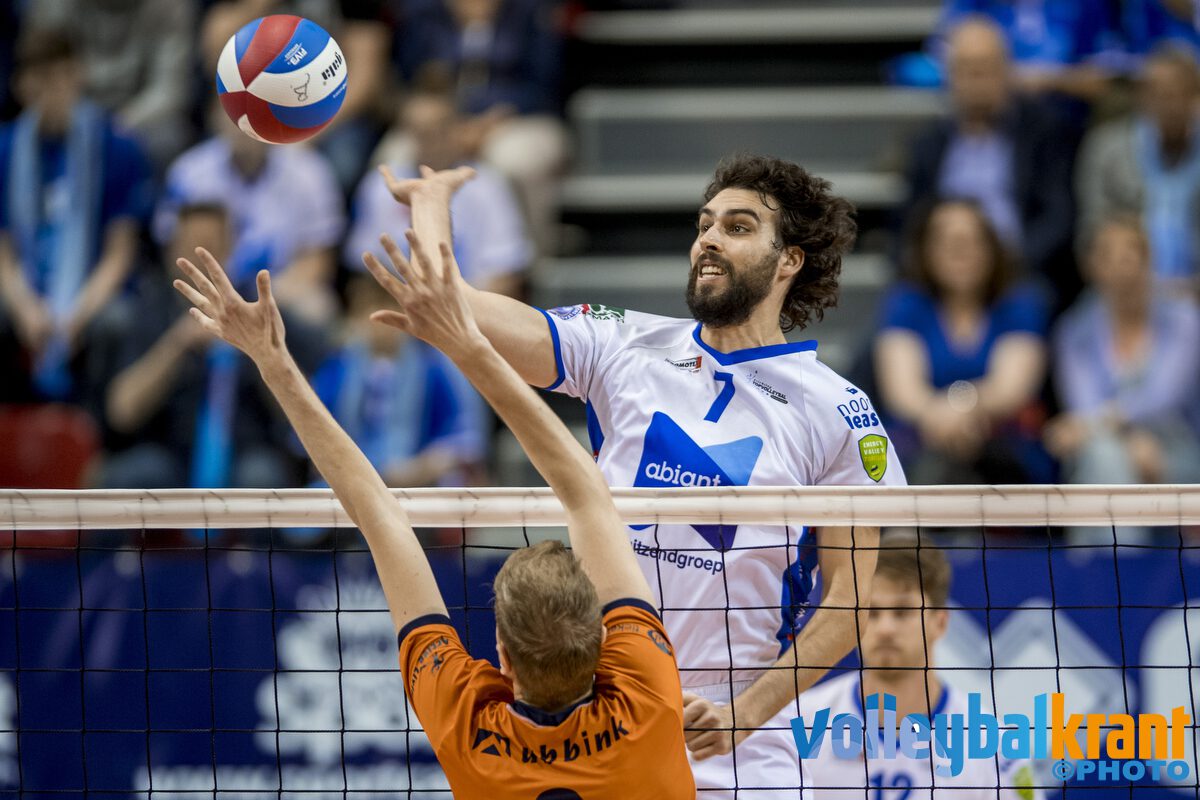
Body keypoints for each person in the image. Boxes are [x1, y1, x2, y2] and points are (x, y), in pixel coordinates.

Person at [372, 156, 907, 797]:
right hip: (608, 720)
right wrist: (431, 202)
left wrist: (746, 713)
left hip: (742, 739)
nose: (709, 239)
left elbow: (849, 602)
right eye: (704, 225)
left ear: (789, 259)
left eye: (738, 227)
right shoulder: (622, 344)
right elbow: (454, 310)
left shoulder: (837, 409)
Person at [171, 227, 695, 797]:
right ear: (604, 641)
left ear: (502, 656)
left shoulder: (468, 726)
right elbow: (585, 493)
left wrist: (272, 361)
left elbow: (377, 512)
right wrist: (469, 345)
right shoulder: (649, 699)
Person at [796, 533, 1041, 799]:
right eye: (871, 612)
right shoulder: (801, 725)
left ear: (941, 622)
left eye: (902, 612)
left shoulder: (994, 747)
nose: (885, 628)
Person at [101, 203, 316, 490]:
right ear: (171, 251)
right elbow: (122, 411)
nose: (200, 264)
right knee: (130, 475)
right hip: (171, 452)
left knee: (260, 476)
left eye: (212, 249)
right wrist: (177, 344)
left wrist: (259, 350)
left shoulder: (259, 309)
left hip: (246, 451)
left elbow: (303, 411)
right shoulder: (149, 309)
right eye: (191, 249)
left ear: (231, 249)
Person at [0, 27, 153, 408]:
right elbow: (3, 250)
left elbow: (119, 253)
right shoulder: (6, 149)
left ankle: (99, 429)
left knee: (114, 322)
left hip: (91, 291)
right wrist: (25, 307)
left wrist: (76, 314)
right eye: (40, 80)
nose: (52, 92)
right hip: (27, 288)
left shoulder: (115, 146)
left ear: (78, 76)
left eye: (60, 77)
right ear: (22, 85)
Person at [874, 199, 1052, 485]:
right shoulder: (906, 303)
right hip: (919, 441)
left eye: (970, 241)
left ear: (992, 249)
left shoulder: (1019, 303)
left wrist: (960, 408)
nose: (959, 252)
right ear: (926, 251)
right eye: (946, 241)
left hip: (1006, 446)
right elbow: (902, 392)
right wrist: (944, 418)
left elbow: (1011, 389)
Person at [1046, 216, 1200, 541]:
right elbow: (1083, 403)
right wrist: (1130, 442)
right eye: (1108, 257)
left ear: (1148, 260)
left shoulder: (1185, 321)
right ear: (1091, 266)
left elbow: (1164, 397)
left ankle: (1108, 567)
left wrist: (1098, 424)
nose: (1121, 269)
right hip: (1106, 449)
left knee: (1099, 452)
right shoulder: (1073, 331)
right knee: (1104, 455)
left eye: (1130, 255)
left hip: (1181, 455)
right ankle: (1123, 562)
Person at [903, 18, 1076, 292]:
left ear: (1007, 71)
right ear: (950, 76)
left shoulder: (1043, 133)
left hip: (1019, 273)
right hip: (941, 282)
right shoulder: (928, 144)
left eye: (986, 68)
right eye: (967, 69)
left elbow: (1057, 218)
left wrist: (1005, 267)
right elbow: (910, 224)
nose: (977, 79)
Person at [155, 101, 344, 324]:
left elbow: (319, 256)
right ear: (215, 115)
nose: (245, 124)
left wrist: (272, 297)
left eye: (257, 112)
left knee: (317, 307)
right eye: (235, 111)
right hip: (209, 286)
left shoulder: (309, 172)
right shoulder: (190, 172)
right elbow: (174, 248)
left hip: (280, 289)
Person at [350, 87, 532, 298]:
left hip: (470, 306)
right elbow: (366, 270)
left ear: (457, 129)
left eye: (437, 130)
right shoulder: (381, 184)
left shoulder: (487, 185)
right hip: (400, 305)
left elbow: (505, 274)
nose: (428, 140)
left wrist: (456, 311)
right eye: (418, 131)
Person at [310, 275, 485, 487]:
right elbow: (315, 426)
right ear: (355, 316)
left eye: (390, 308)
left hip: (418, 476)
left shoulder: (432, 368)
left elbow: (460, 436)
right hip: (352, 476)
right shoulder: (338, 367)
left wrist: (425, 465)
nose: (382, 323)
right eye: (370, 309)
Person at [1076, 46, 1200, 284]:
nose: (1171, 105)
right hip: (1124, 285)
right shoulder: (1106, 149)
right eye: (1161, 95)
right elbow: (1091, 232)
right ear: (1142, 97)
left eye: (1181, 94)